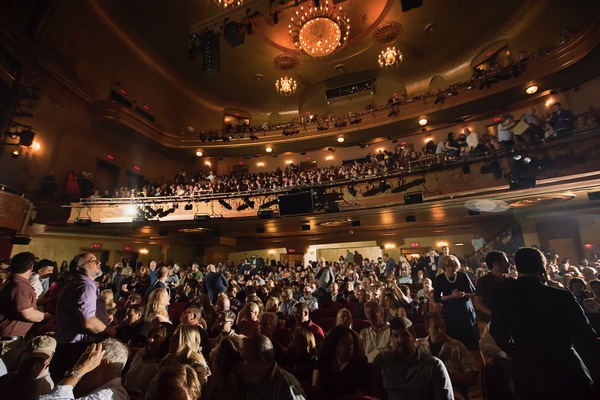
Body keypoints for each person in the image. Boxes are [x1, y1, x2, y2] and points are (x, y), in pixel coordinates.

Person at [491, 247, 599, 400]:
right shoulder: (562, 297)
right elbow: (587, 335)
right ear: (541, 268)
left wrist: (517, 351)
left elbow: (497, 331)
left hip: (527, 368)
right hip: (564, 366)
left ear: (518, 266)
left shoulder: (502, 297)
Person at [52, 253, 114, 381]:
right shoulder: (86, 286)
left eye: (97, 260)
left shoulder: (76, 283)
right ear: (80, 268)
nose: (98, 263)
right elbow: (89, 322)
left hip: (68, 346)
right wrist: (110, 331)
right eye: (92, 261)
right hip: (78, 348)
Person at [371, 317, 454, 400]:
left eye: (405, 335)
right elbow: (373, 393)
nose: (400, 340)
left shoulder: (434, 365)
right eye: (396, 336)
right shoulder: (383, 360)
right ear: (391, 338)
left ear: (414, 337)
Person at [0, 252, 51, 371]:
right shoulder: (19, 286)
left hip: (8, 339)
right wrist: (47, 316)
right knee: (6, 378)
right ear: (31, 267)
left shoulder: (12, 282)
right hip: (9, 343)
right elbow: (27, 313)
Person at [41, 338, 129, 400]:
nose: (80, 363)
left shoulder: (105, 397)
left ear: (102, 364)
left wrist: (79, 370)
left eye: (88, 358)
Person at [416, 314, 478, 399]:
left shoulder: (457, 346)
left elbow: (473, 376)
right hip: (423, 393)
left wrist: (447, 379)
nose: (441, 331)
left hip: (451, 393)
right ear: (427, 330)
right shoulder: (418, 346)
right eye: (436, 328)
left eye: (443, 327)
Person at [434, 255, 479, 351]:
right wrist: (451, 296)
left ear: (457, 266)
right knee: (454, 343)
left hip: (465, 312)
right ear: (444, 267)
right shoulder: (439, 279)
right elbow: (437, 298)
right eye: (448, 266)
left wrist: (464, 294)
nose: (451, 268)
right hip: (450, 314)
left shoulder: (463, 276)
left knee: (472, 343)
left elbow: (474, 294)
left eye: (453, 266)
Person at [241, 334, 307, 400]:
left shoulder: (287, 386)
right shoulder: (250, 381)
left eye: (244, 360)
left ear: (261, 362)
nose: (240, 365)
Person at [313, 325, 370, 397]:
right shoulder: (323, 362)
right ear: (335, 346)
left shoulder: (361, 365)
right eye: (345, 344)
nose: (350, 347)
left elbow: (360, 395)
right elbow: (315, 390)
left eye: (351, 343)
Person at [124, 322, 175, 396]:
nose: (150, 340)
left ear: (166, 341)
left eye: (157, 337)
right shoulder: (141, 354)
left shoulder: (165, 365)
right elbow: (125, 377)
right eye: (150, 335)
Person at [474, 250, 516, 322]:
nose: (509, 264)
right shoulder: (484, 281)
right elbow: (478, 302)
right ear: (495, 264)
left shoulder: (512, 281)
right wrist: (494, 314)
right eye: (505, 262)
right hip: (493, 322)